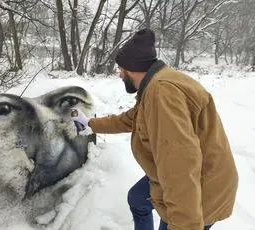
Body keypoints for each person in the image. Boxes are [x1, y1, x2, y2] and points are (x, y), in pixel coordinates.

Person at [72, 28, 238, 230]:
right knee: (137, 198)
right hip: (190, 175)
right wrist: (91, 124)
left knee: (172, 218)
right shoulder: (156, 84)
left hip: (198, 190)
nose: (119, 74)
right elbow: (130, 119)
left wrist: (184, 224)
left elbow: (180, 165)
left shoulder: (161, 94)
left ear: (131, 68)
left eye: (120, 69)